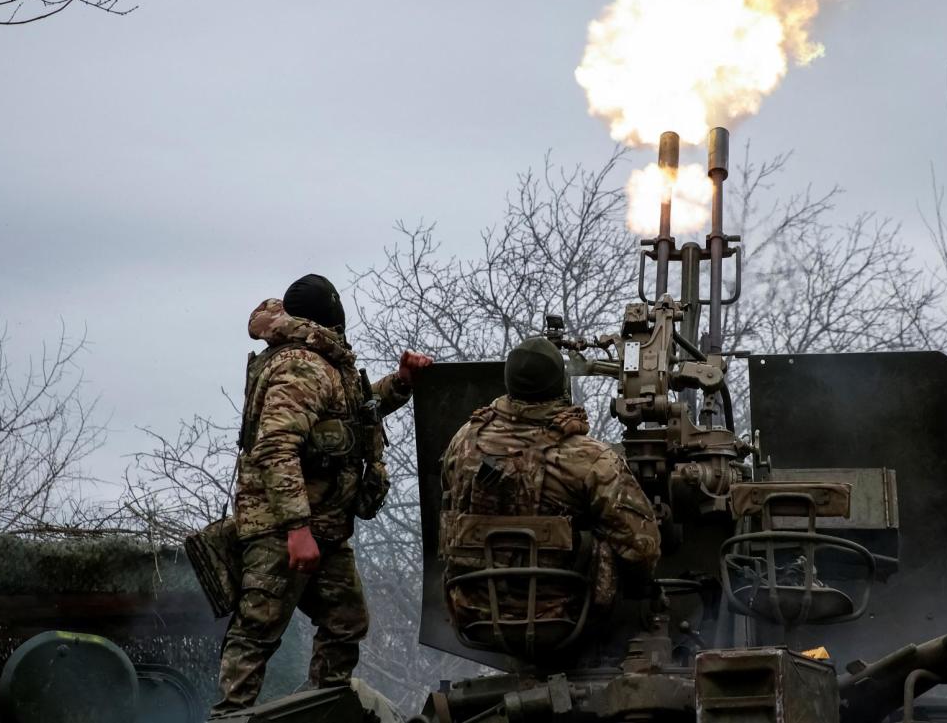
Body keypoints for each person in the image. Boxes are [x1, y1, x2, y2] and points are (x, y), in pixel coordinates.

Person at [211, 274, 432, 716]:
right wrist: (297, 529)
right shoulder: (303, 364)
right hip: (285, 528)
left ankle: (322, 712)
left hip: (322, 526)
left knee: (346, 621)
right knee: (257, 632)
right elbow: (276, 446)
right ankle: (228, 718)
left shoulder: (321, 362)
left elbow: (352, 414)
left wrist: (401, 382)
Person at [438, 336, 660, 646]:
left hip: (473, 615)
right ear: (560, 386)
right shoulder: (590, 458)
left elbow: (449, 496)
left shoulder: (463, 440)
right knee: (615, 543)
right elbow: (643, 548)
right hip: (563, 619)